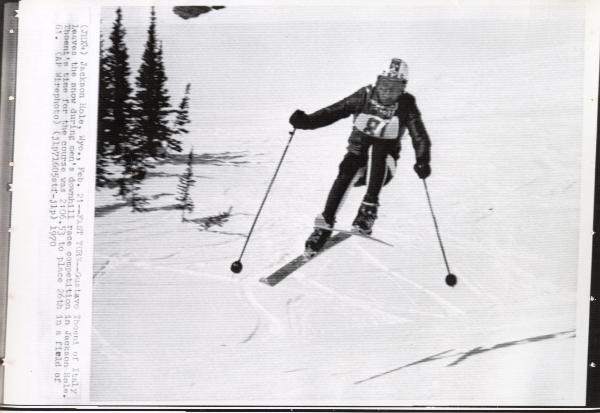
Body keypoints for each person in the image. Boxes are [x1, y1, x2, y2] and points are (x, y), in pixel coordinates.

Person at [289, 58, 432, 256]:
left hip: (384, 167)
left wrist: (422, 159)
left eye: (395, 88)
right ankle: (323, 226)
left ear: (403, 89)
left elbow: (419, 135)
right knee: (348, 167)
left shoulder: (406, 104)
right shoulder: (364, 96)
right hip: (358, 161)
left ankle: (368, 210)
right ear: (377, 82)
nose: (388, 92)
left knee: (379, 146)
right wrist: (306, 122)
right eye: (384, 85)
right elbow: (334, 111)